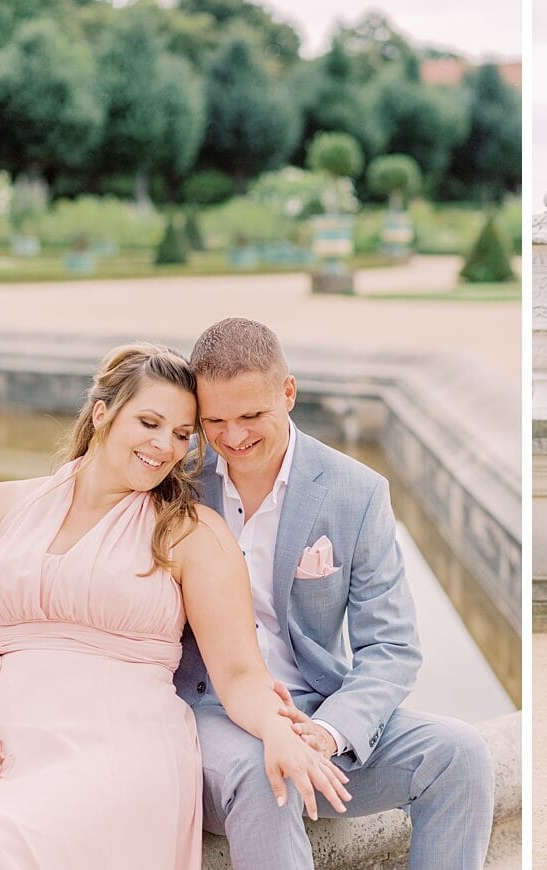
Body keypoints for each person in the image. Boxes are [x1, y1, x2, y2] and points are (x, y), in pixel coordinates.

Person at [0, 344, 347, 869]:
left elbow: (240, 672)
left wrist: (278, 730)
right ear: (102, 412)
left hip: (116, 749)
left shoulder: (193, 533)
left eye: (182, 435)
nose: (164, 446)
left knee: (16, 842)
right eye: (149, 422)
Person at [174, 318, 494, 870]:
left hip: (319, 708)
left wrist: (327, 732)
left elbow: (391, 647)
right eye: (215, 421)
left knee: (461, 755)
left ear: (289, 392)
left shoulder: (358, 491)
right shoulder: (175, 483)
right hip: (207, 714)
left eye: (252, 415)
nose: (234, 437)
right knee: (264, 773)